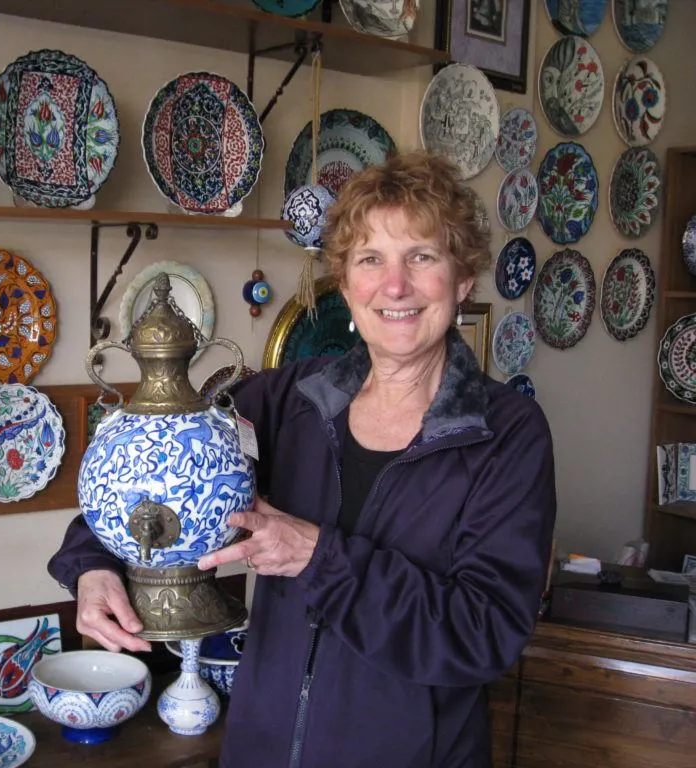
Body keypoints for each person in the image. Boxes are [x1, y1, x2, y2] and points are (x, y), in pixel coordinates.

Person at [48, 151, 557, 767]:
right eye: (371, 260)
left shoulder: (505, 433)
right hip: (260, 749)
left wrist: (320, 558)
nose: (395, 287)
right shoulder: (288, 399)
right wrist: (92, 563)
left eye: (421, 257)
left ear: (463, 278)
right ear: (345, 284)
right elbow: (152, 469)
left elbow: (484, 634)